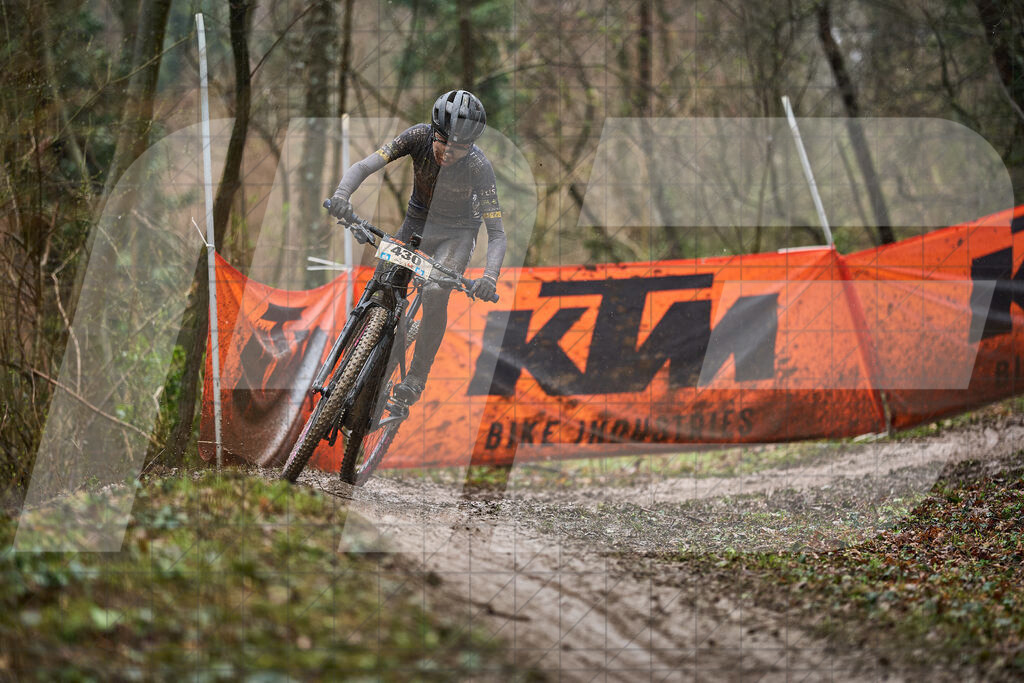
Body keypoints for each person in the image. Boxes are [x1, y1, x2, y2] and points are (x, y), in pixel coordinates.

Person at [327, 89, 506, 405]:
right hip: (416, 223)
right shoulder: (417, 137)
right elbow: (365, 166)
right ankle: (365, 339)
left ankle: (416, 377)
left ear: (471, 146)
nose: (448, 153)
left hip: (457, 234)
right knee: (384, 279)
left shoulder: (479, 167)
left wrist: (489, 278)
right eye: (443, 143)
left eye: (458, 149)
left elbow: (497, 233)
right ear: (434, 132)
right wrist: (342, 195)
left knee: (436, 291)